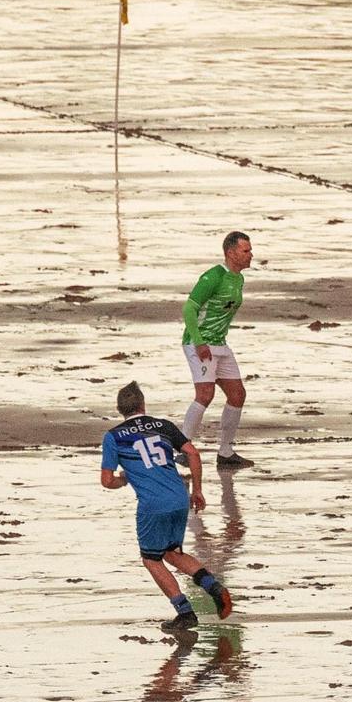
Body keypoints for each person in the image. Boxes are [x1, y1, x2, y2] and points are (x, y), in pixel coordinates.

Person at [99, 382, 233, 630]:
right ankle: (214, 588)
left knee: (151, 559)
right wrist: (198, 490)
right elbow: (193, 453)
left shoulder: (114, 436)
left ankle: (185, 613)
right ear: (142, 405)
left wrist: (124, 479)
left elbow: (107, 481)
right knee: (173, 552)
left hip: (153, 504)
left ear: (120, 409)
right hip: (179, 497)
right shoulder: (163, 426)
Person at [181, 231, 254, 469]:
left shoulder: (238, 279)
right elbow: (189, 310)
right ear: (231, 253)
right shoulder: (213, 277)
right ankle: (183, 448)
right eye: (246, 251)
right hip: (199, 342)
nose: (250, 255)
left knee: (237, 395)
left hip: (220, 344)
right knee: (205, 394)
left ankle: (225, 452)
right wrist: (199, 342)